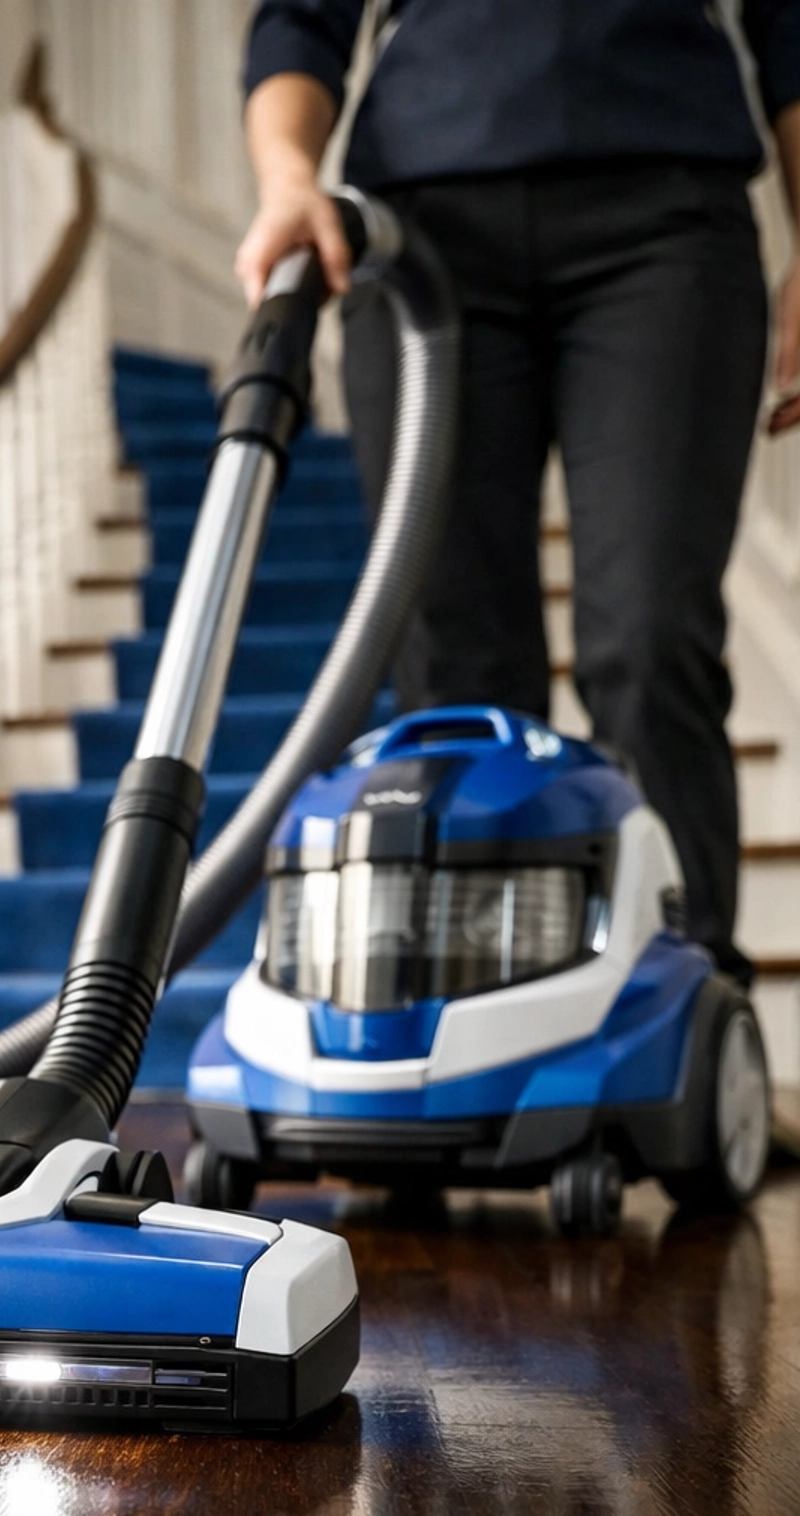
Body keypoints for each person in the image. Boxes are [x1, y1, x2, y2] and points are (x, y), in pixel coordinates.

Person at [237, 1, 800, 979]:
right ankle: (478, 1012)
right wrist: (290, 176)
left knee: (650, 638)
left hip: (663, 219)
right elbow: (300, 17)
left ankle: (680, 1008)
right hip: (424, 234)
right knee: (457, 665)